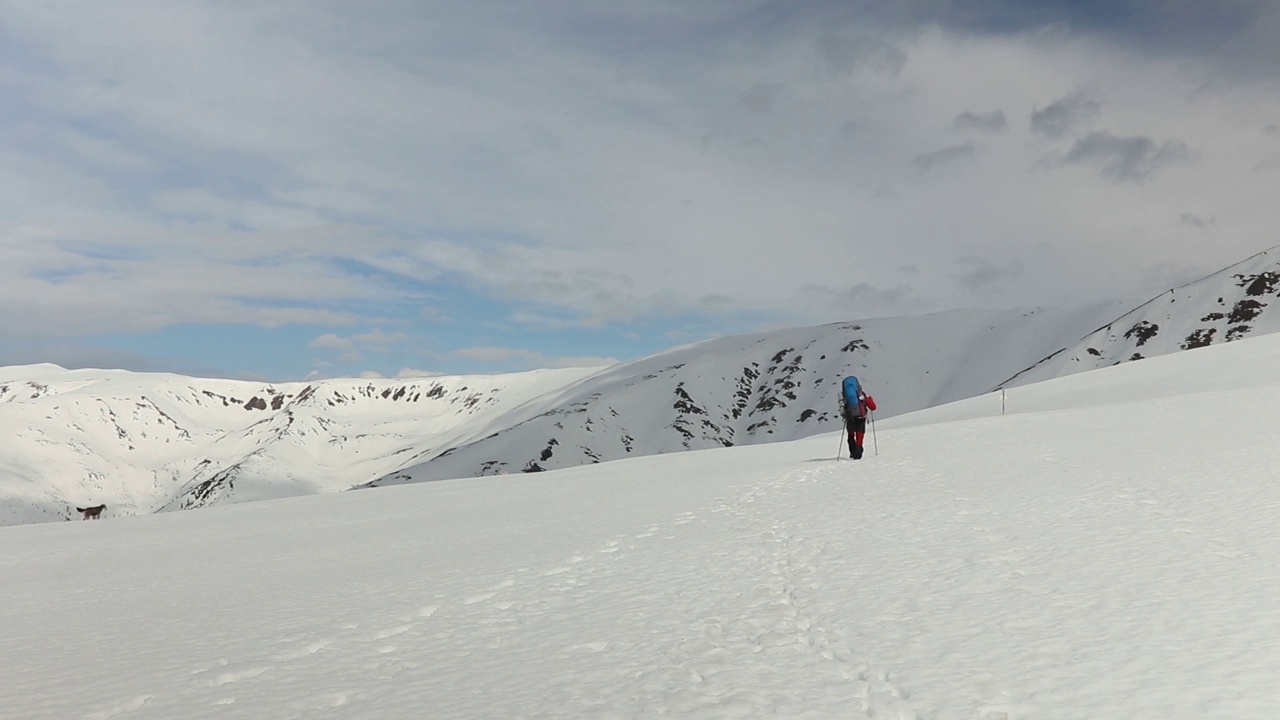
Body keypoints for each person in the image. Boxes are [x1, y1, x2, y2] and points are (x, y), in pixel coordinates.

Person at [840, 383, 877, 459]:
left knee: (851, 436)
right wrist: (869, 399)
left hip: (850, 420)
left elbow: (843, 409)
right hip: (861, 419)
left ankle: (852, 453)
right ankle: (858, 455)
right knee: (859, 437)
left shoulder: (846, 396)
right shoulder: (861, 395)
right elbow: (873, 407)